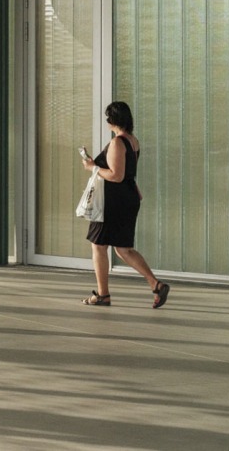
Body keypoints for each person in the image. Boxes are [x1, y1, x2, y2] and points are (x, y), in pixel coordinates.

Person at [81, 100, 170, 309]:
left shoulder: (117, 142)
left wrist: (92, 167)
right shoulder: (133, 141)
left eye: (107, 118)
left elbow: (116, 175)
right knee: (124, 249)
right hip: (128, 198)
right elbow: (127, 172)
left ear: (112, 120)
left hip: (113, 202)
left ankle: (103, 295)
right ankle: (156, 284)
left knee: (98, 246)